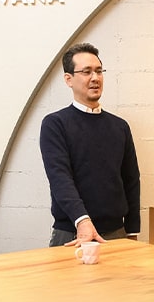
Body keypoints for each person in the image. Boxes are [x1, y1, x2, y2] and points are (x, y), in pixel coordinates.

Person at [40, 42, 140, 247]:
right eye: (86, 72)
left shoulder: (120, 126)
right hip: (72, 233)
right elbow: (60, 179)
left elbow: (131, 180)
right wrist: (82, 220)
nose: (95, 78)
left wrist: (132, 230)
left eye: (99, 71)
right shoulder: (55, 124)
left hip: (116, 233)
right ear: (68, 79)